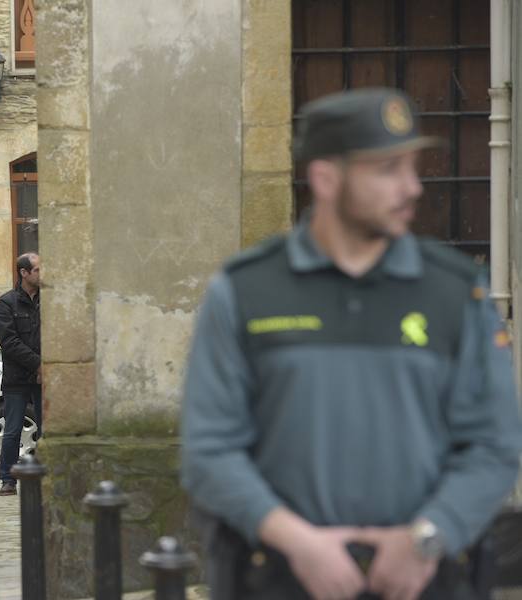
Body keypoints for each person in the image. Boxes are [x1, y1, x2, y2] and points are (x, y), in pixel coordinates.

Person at [181, 88, 522, 600]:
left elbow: (495, 445)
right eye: (388, 169)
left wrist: (424, 540)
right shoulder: (246, 291)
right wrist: (299, 543)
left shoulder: (455, 293)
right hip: (280, 580)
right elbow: (209, 451)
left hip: (425, 581)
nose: (412, 188)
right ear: (326, 178)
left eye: (413, 167)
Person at [0, 253, 42, 496]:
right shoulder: (6, 303)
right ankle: (8, 479)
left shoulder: (48, 300)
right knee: (12, 431)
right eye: (37, 270)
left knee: (47, 430)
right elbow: (9, 341)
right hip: (16, 378)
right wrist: (38, 364)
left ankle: (45, 477)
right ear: (24, 273)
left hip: (43, 378)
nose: (42, 274)